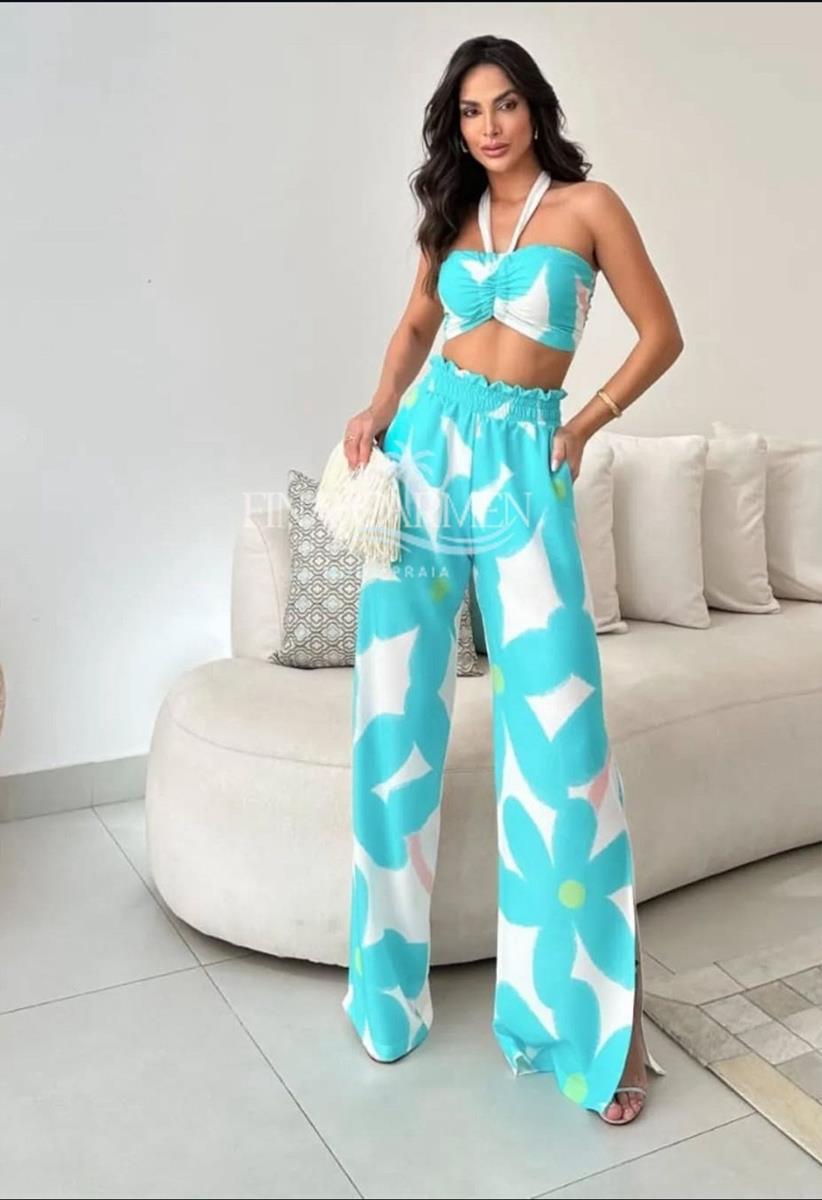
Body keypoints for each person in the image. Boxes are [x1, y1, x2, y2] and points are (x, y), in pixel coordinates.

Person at [339, 34, 684, 1126]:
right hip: (425, 453)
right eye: (470, 110)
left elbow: (662, 334)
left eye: (505, 104)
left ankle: (595, 1027)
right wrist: (378, 408)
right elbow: (415, 325)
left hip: (526, 462)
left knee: (561, 743)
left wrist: (584, 423)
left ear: (536, 109)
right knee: (392, 720)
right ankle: (384, 999)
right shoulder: (451, 215)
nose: (488, 126)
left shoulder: (589, 208)